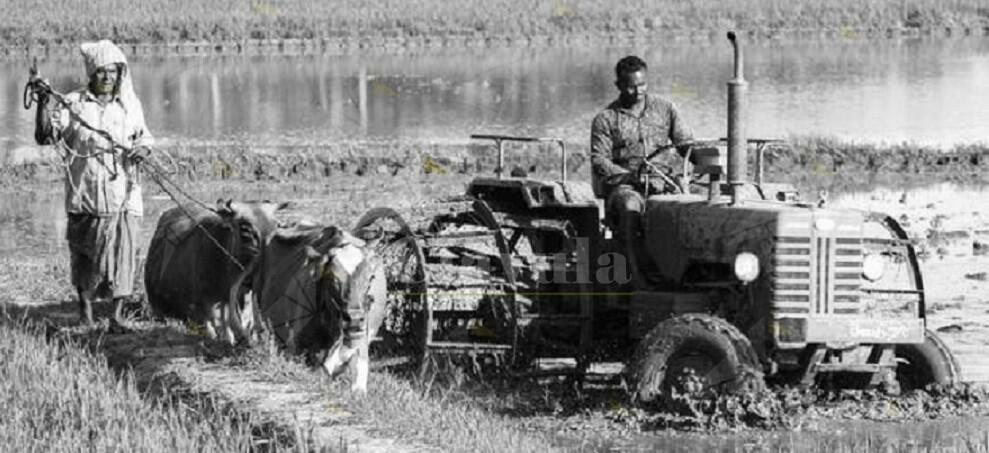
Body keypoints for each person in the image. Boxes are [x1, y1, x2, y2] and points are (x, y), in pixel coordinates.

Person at [33, 40, 153, 325]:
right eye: (102, 72)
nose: (108, 77)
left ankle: (116, 316)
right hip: (85, 194)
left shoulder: (129, 105)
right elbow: (45, 136)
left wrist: (142, 151)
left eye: (113, 72)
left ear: (120, 74)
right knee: (85, 255)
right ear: (91, 74)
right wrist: (42, 102)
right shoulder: (73, 104)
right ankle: (86, 313)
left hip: (123, 194)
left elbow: (145, 138)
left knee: (124, 254)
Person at [589, 55, 693, 282]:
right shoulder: (606, 119)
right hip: (626, 187)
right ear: (618, 85)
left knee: (696, 209)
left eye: (642, 84)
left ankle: (688, 275)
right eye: (631, 87)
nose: (638, 92)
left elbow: (685, 143)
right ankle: (640, 278)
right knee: (630, 208)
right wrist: (631, 176)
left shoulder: (666, 109)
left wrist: (709, 160)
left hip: (665, 182)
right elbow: (599, 160)